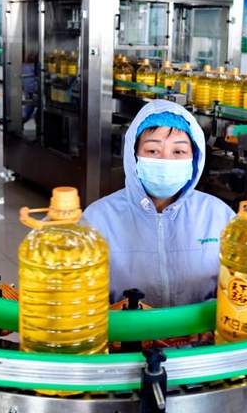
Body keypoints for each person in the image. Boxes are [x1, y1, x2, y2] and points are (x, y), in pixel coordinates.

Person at [84, 100, 236, 307]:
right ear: (133, 155)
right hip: (125, 337)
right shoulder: (97, 220)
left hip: (205, 338)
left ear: (195, 158)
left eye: (179, 152)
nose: (166, 161)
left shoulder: (219, 216)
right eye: (153, 151)